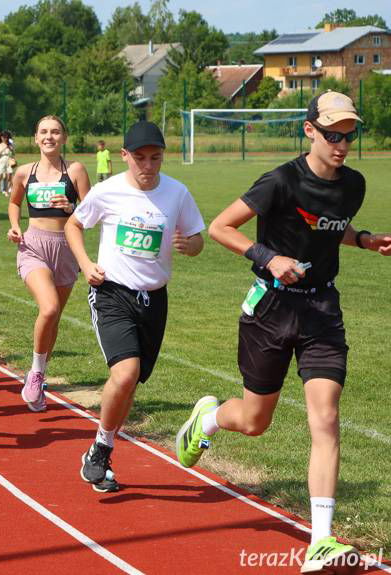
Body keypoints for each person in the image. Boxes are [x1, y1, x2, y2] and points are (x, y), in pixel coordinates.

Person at [176, 91, 391, 573]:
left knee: (326, 416)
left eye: (348, 135)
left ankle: (320, 541)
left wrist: (363, 238)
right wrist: (268, 257)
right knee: (255, 422)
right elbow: (220, 227)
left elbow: (328, 228)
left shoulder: (352, 185)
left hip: (321, 310)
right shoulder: (280, 180)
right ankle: (208, 420)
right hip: (271, 308)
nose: (341, 144)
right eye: (332, 133)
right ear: (309, 129)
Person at [65, 121, 205, 493]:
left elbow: (196, 238)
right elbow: (73, 225)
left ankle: (103, 450)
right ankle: (100, 448)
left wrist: (192, 247)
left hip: (154, 299)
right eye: (139, 158)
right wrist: (84, 263)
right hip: (112, 292)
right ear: (124, 156)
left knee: (131, 385)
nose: (147, 165)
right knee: (125, 374)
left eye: (155, 158)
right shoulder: (107, 191)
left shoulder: (177, 193)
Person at [7, 115, 91, 412]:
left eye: (55, 132)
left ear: (64, 138)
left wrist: (72, 208)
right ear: (36, 136)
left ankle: (38, 378)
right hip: (33, 246)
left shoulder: (76, 170)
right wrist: (15, 226)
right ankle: (36, 372)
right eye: (43, 131)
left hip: (67, 249)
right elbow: (14, 202)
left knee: (53, 319)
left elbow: (93, 211)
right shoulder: (24, 172)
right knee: (50, 308)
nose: (49, 137)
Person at [0, 130, 15, 196]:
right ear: (1, 137)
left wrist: (11, 149)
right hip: (2, 161)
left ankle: (6, 191)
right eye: (3, 137)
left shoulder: (10, 144)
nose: (5, 138)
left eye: (6, 137)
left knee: (9, 177)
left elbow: (13, 153)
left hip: (9, 160)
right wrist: (4, 148)